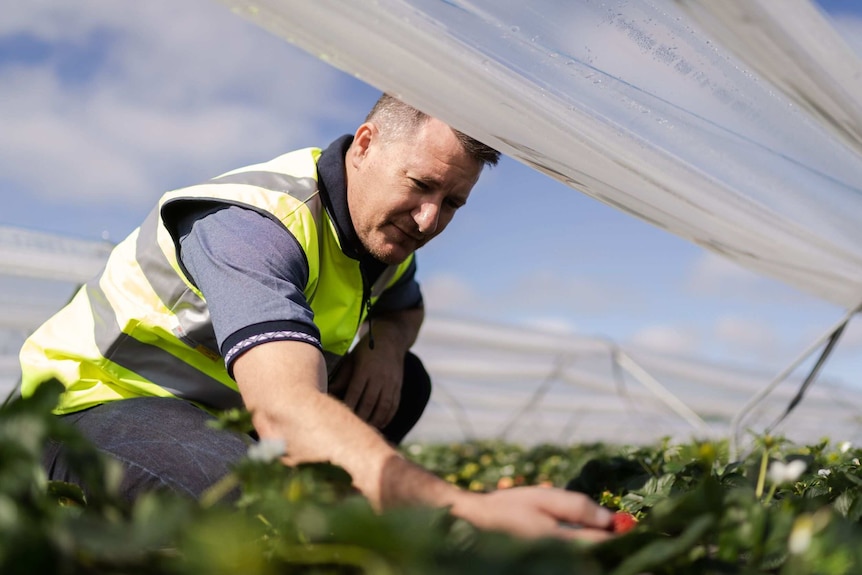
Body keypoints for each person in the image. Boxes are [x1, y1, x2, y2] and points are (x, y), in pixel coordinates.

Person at [19, 94, 613, 541]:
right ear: (365, 144)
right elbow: (282, 406)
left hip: (219, 417)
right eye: (421, 185)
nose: (430, 220)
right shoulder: (255, 225)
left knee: (406, 384)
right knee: (259, 511)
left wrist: (387, 349)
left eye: (452, 202)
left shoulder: (381, 244)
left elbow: (408, 306)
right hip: (92, 405)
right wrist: (458, 506)